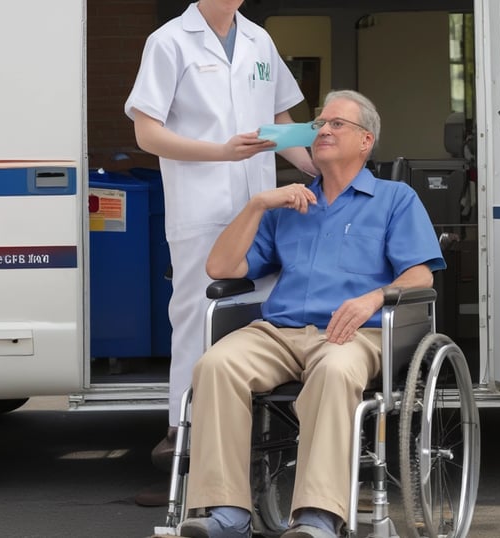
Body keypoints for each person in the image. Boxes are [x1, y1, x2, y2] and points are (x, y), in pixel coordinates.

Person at [173, 90, 445, 538]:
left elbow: (420, 276)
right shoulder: (289, 204)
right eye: (319, 124)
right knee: (215, 365)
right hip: (279, 331)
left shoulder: (394, 198)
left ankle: (318, 517)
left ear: (366, 141)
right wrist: (258, 204)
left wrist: (372, 298)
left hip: (353, 332)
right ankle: (226, 514)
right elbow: (220, 268)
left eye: (337, 123)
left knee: (334, 372)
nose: (323, 130)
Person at [124, 0, 317, 471]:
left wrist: (319, 170)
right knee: (198, 317)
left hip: (261, 208)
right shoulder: (169, 41)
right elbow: (147, 133)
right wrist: (221, 153)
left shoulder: (259, 40)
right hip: (203, 209)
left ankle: (256, 438)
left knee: (263, 316)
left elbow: (280, 124)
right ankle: (183, 439)